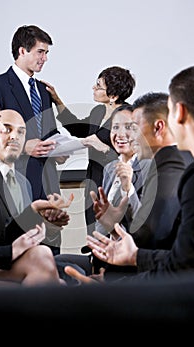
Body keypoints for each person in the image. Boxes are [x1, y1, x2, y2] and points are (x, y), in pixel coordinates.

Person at [65, 65, 194, 283]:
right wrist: (113, 225)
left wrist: (115, 286)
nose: (128, 136)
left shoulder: (172, 163)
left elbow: (169, 255)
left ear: (176, 115)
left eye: (134, 126)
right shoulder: (178, 164)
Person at [0, 88, 67, 289]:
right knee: (55, 281)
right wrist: (10, 252)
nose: (2, 131)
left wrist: (33, 211)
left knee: (43, 255)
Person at [0, 24, 68, 254]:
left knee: (50, 253)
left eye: (47, 53)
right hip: (15, 180)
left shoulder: (43, 90)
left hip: (47, 179)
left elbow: (49, 131)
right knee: (19, 252)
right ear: (22, 51)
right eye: (41, 52)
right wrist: (24, 147)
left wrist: (59, 149)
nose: (45, 58)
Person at [45, 66, 136, 235]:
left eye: (99, 86)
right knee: (92, 234)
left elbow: (130, 154)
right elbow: (77, 129)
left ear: (113, 96)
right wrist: (57, 100)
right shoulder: (98, 110)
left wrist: (104, 150)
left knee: (113, 233)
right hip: (93, 179)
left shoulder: (127, 115)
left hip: (114, 182)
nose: (93, 88)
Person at [0, 109, 73, 250]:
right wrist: (33, 210)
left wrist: (49, 226)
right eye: (6, 129)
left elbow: (23, 235)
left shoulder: (24, 183)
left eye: (21, 132)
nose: (14, 137)